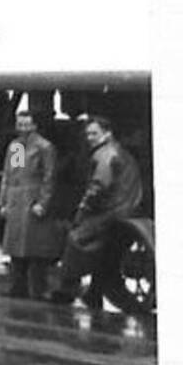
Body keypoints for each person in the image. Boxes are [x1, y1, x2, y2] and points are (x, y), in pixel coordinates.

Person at [54, 115, 144, 308]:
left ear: (107, 133)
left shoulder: (105, 154)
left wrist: (81, 210)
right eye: (88, 133)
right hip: (123, 208)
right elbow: (15, 170)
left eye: (94, 133)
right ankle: (91, 291)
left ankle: (63, 287)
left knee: (75, 239)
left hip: (112, 210)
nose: (89, 137)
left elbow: (98, 186)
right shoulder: (17, 147)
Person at [0, 108, 62, 299]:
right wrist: (4, 202)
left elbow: (49, 178)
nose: (23, 128)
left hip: (33, 199)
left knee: (36, 248)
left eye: (27, 124)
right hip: (17, 200)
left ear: (35, 125)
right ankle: (18, 287)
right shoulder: (16, 146)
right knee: (16, 246)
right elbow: (11, 175)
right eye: (20, 125)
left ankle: (39, 289)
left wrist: (43, 203)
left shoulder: (44, 147)